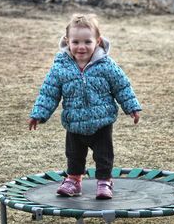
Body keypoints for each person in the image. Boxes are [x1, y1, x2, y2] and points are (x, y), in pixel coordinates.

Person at [27, 13, 141, 199]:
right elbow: (49, 91)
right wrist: (39, 114)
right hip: (74, 122)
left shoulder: (106, 65)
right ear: (67, 42)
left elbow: (122, 86)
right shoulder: (61, 67)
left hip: (102, 122)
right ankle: (73, 181)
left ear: (98, 41)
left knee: (104, 156)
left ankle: (104, 181)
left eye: (87, 42)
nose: (81, 47)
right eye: (76, 42)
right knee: (74, 155)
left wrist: (132, 107)